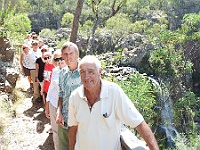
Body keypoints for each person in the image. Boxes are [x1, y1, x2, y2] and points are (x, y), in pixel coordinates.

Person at [68, 55, 159, 150]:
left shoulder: (113, 92)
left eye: (91, 72)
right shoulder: (75, 96)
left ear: (100, 72)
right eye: (82, 72)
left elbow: (138, 122)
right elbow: (73, 128)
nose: (86, 77)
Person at [56, 42, 82, 150]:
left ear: (77, 54)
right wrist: (59, 112)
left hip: (81, 123)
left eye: (71, 53)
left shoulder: (85, 72)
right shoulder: (62, 73)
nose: (68, 57)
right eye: (65, 54)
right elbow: (61, 94)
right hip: (64, 121)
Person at [45, 50, 66, 150]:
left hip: (67, 105)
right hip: (54, 103)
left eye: (62, 58)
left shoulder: (74, 71)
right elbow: (51, 88)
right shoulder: (55, 71)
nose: (60, 61)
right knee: (56, 130)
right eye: (57, 59)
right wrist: (47, 105)